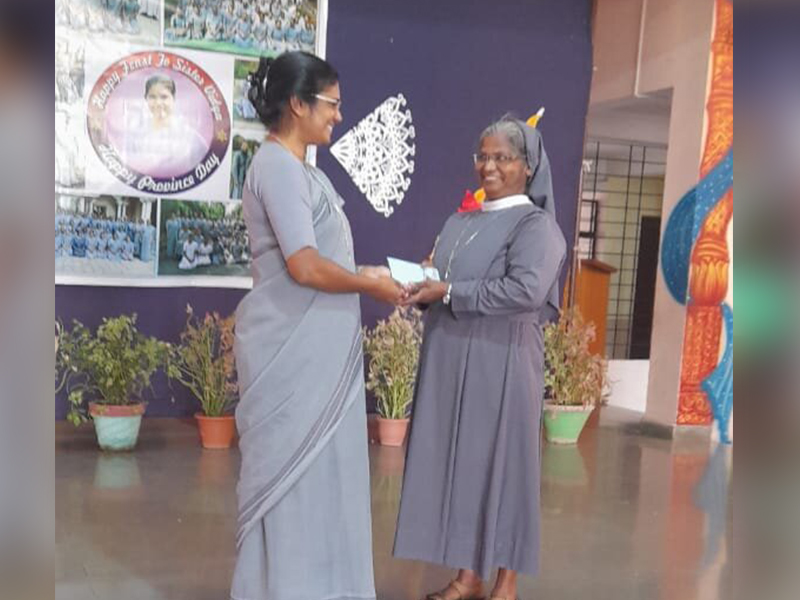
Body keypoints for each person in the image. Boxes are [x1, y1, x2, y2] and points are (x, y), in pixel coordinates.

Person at [231, 51, 403, 600]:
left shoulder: (301, 168)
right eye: (331, 104)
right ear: (298, 104)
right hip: (293, 353)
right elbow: (304, 267)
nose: (338, 116)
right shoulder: (278, 166)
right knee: (297, 481)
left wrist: (366, 274)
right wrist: (368, 285)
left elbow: (320, 258)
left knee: (324, 477)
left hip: (318, 354)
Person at [393, 117, 567, 600]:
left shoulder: (536, 227)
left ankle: (505, 583)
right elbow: (443, 278)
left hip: (502, 360)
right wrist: (421, 285)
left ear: (528, 167)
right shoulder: (460, 221)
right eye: (482, 157)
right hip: (450, 357)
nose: (489, 166)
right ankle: (467, 576)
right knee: (463, 467)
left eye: (501, 158)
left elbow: (524, 291)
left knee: (505, 469)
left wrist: (449, 291)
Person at [121, 75, 210, 178]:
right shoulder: (134, 138)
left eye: (164, 97)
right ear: (146, 99)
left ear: (173, 98)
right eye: (152, 97)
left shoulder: (191, 139)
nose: (158, 103)